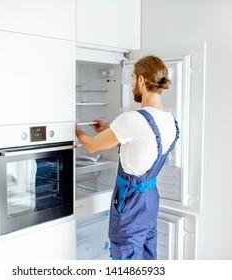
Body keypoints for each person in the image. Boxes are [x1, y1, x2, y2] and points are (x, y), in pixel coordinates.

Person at [75, 55, 179, 260]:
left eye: (132, 79)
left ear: (141, 80)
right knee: (146, 256)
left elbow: (91, 146)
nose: (132, 85)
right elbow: (143, 145)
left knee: (126, 259)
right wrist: (108, 130)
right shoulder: (169, 120)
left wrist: (73, 127)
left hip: (130, 201)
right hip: (150, 200)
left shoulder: (133, 119)